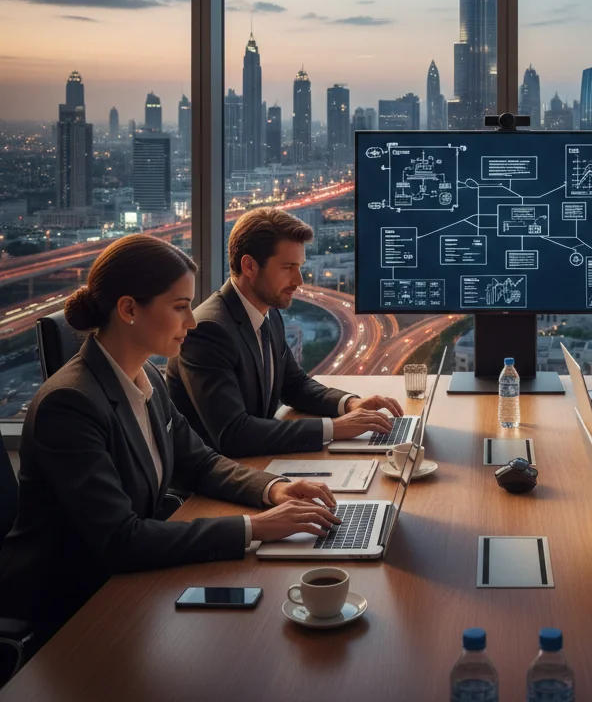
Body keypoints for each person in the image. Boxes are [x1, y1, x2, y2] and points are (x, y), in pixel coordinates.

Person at [0, 234, 342, 647]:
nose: (192, 322)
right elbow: (120, 540)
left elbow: (199, 461)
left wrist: (275, 490)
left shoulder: (146, 380)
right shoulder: (69, 404)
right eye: (180, 307)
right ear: (128, 309)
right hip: (71, 611)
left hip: (130, 585)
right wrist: (255, 528)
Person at [166, 207, 402, 457]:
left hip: (257, 462)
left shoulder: (267, 313)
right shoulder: (208, 331)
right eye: (288, 267)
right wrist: (334, 428)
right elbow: (234, 434)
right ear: (249, 266)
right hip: (210, 486)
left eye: (299, 266)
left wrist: (351, 404)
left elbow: (295, 385)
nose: (299, 280)